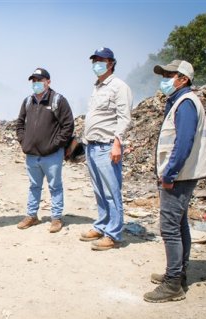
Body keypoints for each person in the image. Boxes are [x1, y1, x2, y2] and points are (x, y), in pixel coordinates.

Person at [144, 60, 206, 303]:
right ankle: (178, 274)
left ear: (183, 79)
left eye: (169, 75)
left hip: (178, 176)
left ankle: (173, 284)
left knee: (170, 228)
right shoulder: (179, 101)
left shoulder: (185, 104)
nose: (164, 79)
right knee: (180, 224)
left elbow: (182, 145)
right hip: (180, 175)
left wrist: (169, 174)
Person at [79, 47, 133, 251]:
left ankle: (114, 234)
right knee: (99, 190)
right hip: (91, 147)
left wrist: (117, 143)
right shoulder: (98, 86)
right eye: (94, 60)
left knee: (111, 191)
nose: (97, 64)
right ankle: (102, 225)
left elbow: (124, 118)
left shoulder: (119, 87)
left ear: (111, 63)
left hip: (107, 146)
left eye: (101, 60)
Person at [16, 68, 74, 233]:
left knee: (55, 186)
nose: (36, 83)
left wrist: (54, 145)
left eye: (39, 80)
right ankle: (31, 215)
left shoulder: (58, 100)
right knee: (34, 186)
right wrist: (24, 142)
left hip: (52, 155)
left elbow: (68, 126)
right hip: (31, 155)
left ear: (48, 81)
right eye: (33, 80)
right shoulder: (28, 101)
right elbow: (20, 124)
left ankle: (56, 218)